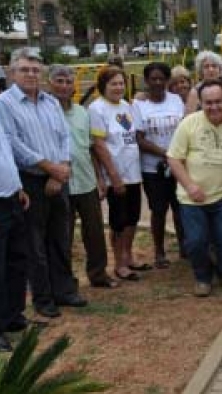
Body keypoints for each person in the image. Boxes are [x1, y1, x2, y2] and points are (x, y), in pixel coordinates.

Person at [0, 48, 85, 319]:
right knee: (34, 244)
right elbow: (13, 143)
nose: (31, 74)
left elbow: (64, 137)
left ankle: (64, 290)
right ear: (11, 73)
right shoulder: (3, 103)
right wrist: (50, 168)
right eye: (25, 69)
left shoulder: (50, 101)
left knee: (60, 237)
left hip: (58, 177)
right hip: (30, 180)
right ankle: (43, 299)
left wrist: (63, 168)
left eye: (35, 69)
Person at [167, 80, 222, 297]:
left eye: (219, 102)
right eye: (208, 103)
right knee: (196, 241)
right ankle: (202, 277)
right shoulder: (189, 123)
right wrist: (189, 186)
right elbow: (173, 158)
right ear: (200, 103)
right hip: (192, 199)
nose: (214, 107)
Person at [48, 65, 116, 289]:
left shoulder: (81, 113)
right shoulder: (45, 113)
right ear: (50, 83)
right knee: (62, 236)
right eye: (59, 80)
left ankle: (98, 274)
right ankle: (64, 281)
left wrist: (99, 178)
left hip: (86, 182)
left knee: (95, 233)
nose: (65, 86)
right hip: (60, 184)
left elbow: (91, 148)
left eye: (69, 82)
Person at [0, 63, 30, 352]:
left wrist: (19, 187)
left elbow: (4, 155)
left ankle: (12, 316)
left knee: (16, 261)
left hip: (12, 199)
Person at [89, 66, 149, 283]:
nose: (118, 87)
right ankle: (119, 263)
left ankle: (128, 255)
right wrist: (113, 176)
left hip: (133, 172)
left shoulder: (127, 106)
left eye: (121, 83)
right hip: (116, 174)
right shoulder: (97, 109)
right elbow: (98, 145)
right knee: (119, 221)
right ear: (103, 85)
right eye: (113, 83)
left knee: (132, 217)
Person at [134, 62, 186, 268]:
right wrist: (165, 153)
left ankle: (184, 246)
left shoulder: (175, 101)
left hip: (178, 165)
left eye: (161, 79)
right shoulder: (139, 105)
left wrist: (175, 155)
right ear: (146, 80)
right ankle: (159, 251)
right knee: (158, 209)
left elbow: (184, 129)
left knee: (181, 206)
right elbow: (139, 138)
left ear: (167, 81)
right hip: (152, 168)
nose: (157, 82)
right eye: (153, 79)